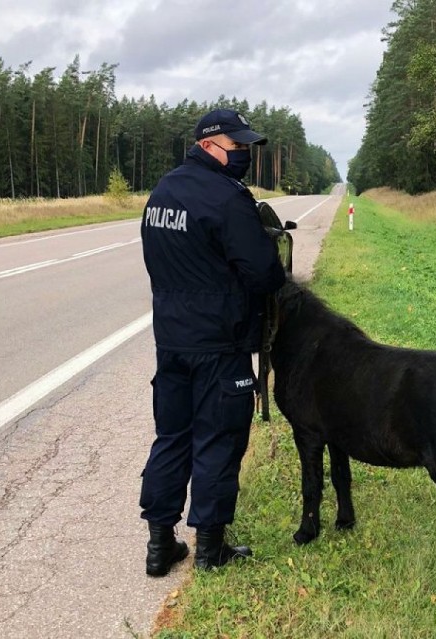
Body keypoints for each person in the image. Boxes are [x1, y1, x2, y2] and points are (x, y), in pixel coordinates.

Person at [139, 109, 286, 576]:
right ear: (208, 145)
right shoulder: (227, 199)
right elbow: (264, 273)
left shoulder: (161, 192)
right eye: (237, 146)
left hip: (172, 341)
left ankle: (161, 545)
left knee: (172, 437)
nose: (243, 155)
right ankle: (209, 549)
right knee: (219, 440)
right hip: (221, 344)